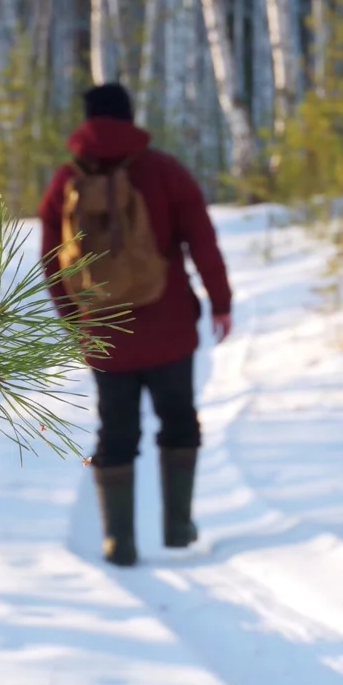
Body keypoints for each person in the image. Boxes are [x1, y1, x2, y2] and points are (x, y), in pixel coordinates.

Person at [38, 83, 232, 566]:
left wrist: (74, 320)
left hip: (105, 331)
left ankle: (118, 540)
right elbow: (201, 240)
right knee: (179, 418)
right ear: (130, 116)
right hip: (169, 327)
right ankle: (177, 525)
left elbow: (51, 259)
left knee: (116, 431)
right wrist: (221, 301)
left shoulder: (67, 178)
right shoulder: (163, 170)